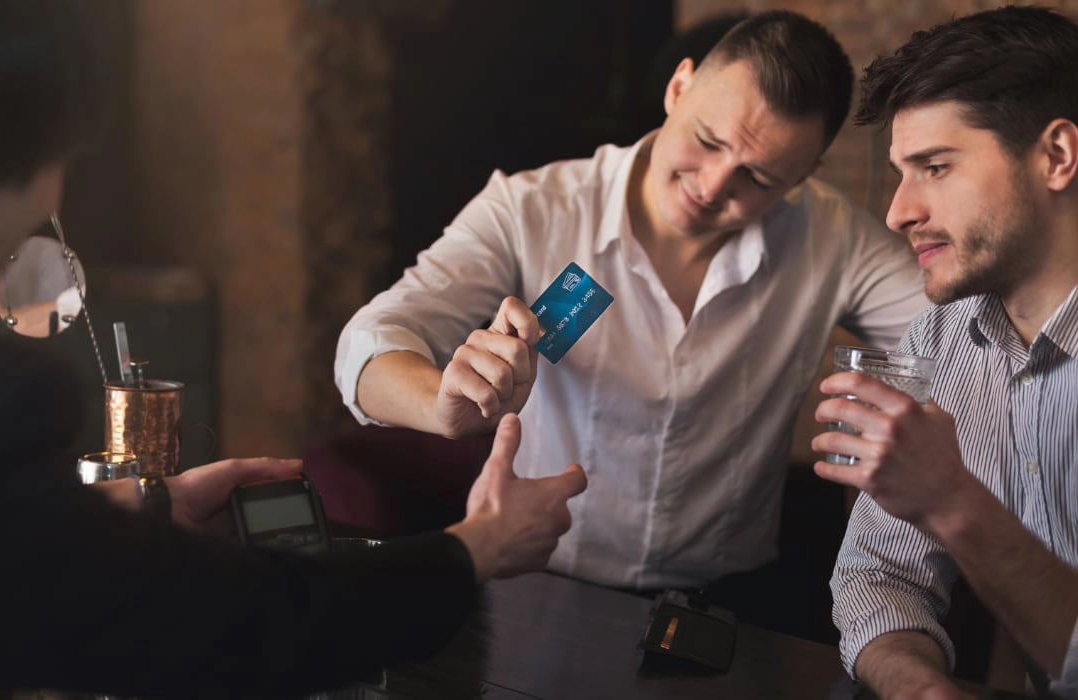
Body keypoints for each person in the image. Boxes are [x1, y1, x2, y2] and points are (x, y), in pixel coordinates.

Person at [0, 1, 587, 696]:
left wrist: (141, 511)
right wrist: (472, 551)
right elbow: (214, 623)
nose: (53, 201)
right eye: (57, 160)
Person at [335, 9, 926, 606]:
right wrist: (441, 407)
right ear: (678, 86)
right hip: (542, 579)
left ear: (803, 176)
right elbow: (369, 341)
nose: (714, 185)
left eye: (757, 176)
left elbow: (958, 330)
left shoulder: (832, 238)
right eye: (708, 140)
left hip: (732, 601)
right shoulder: (531, 209)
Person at [813, 6, 1078, 699]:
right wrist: (916, 685)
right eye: (903, 172)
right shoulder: (944, 334)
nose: (899, 210)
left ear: (1057, 157)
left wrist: (951, 500)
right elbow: (877, 574)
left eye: (935, 166)